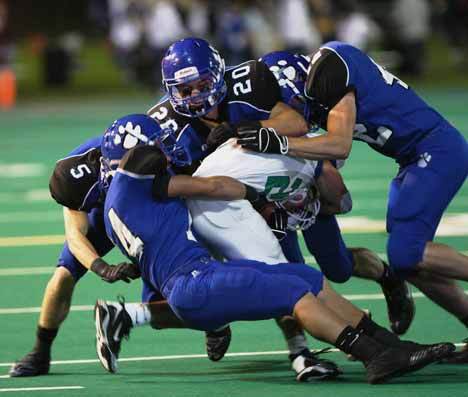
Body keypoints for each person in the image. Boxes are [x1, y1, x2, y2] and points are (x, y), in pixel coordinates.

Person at [95, 136, 455, 385]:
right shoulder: (138, 186)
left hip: (195, 279)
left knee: (302, 275)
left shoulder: (116, 208)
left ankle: (388, 345)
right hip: (194, 282)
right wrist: (254, 194)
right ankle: (371, 356)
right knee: (292, 292)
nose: (166, 158)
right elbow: (204, 184)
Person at [234, 41, 468, 361]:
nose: (291, 110)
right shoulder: (321, 78)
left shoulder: (331, 70)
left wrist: (279, 142)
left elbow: (339, 145)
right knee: (405, 262)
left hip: (435, 151)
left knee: (407, 251)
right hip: (414, 158)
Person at [149, 36, 338, 380]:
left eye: (202, 85)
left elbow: (295, 125)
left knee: (299, 265)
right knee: (172, 296)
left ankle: (301, 350)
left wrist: (237, 131)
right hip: (203, 205)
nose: (195, 97)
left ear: (219, 74)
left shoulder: (248, 81)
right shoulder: (165, 126)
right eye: (185, 90)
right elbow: (165, 186)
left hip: (267, 192)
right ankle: (218, 324)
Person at [8, 115, 229, 378]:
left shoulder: (156, 155)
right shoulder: (77, 174)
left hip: (146, 206)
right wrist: (102, 268)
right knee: (63, 274)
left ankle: (215, 318)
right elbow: (75, 236)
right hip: (104, 214)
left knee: (165, 296)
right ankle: (40, 351)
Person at [258, 50, 414, 335]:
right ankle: (308, 348)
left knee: (338, 268)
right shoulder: (255, 111)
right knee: (287, 273)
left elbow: (342, 202)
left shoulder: (319, 122)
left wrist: (313, 199)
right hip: (270, 200)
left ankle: (387, 276)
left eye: (285, 101)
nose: (279, 109)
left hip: (307, 202)